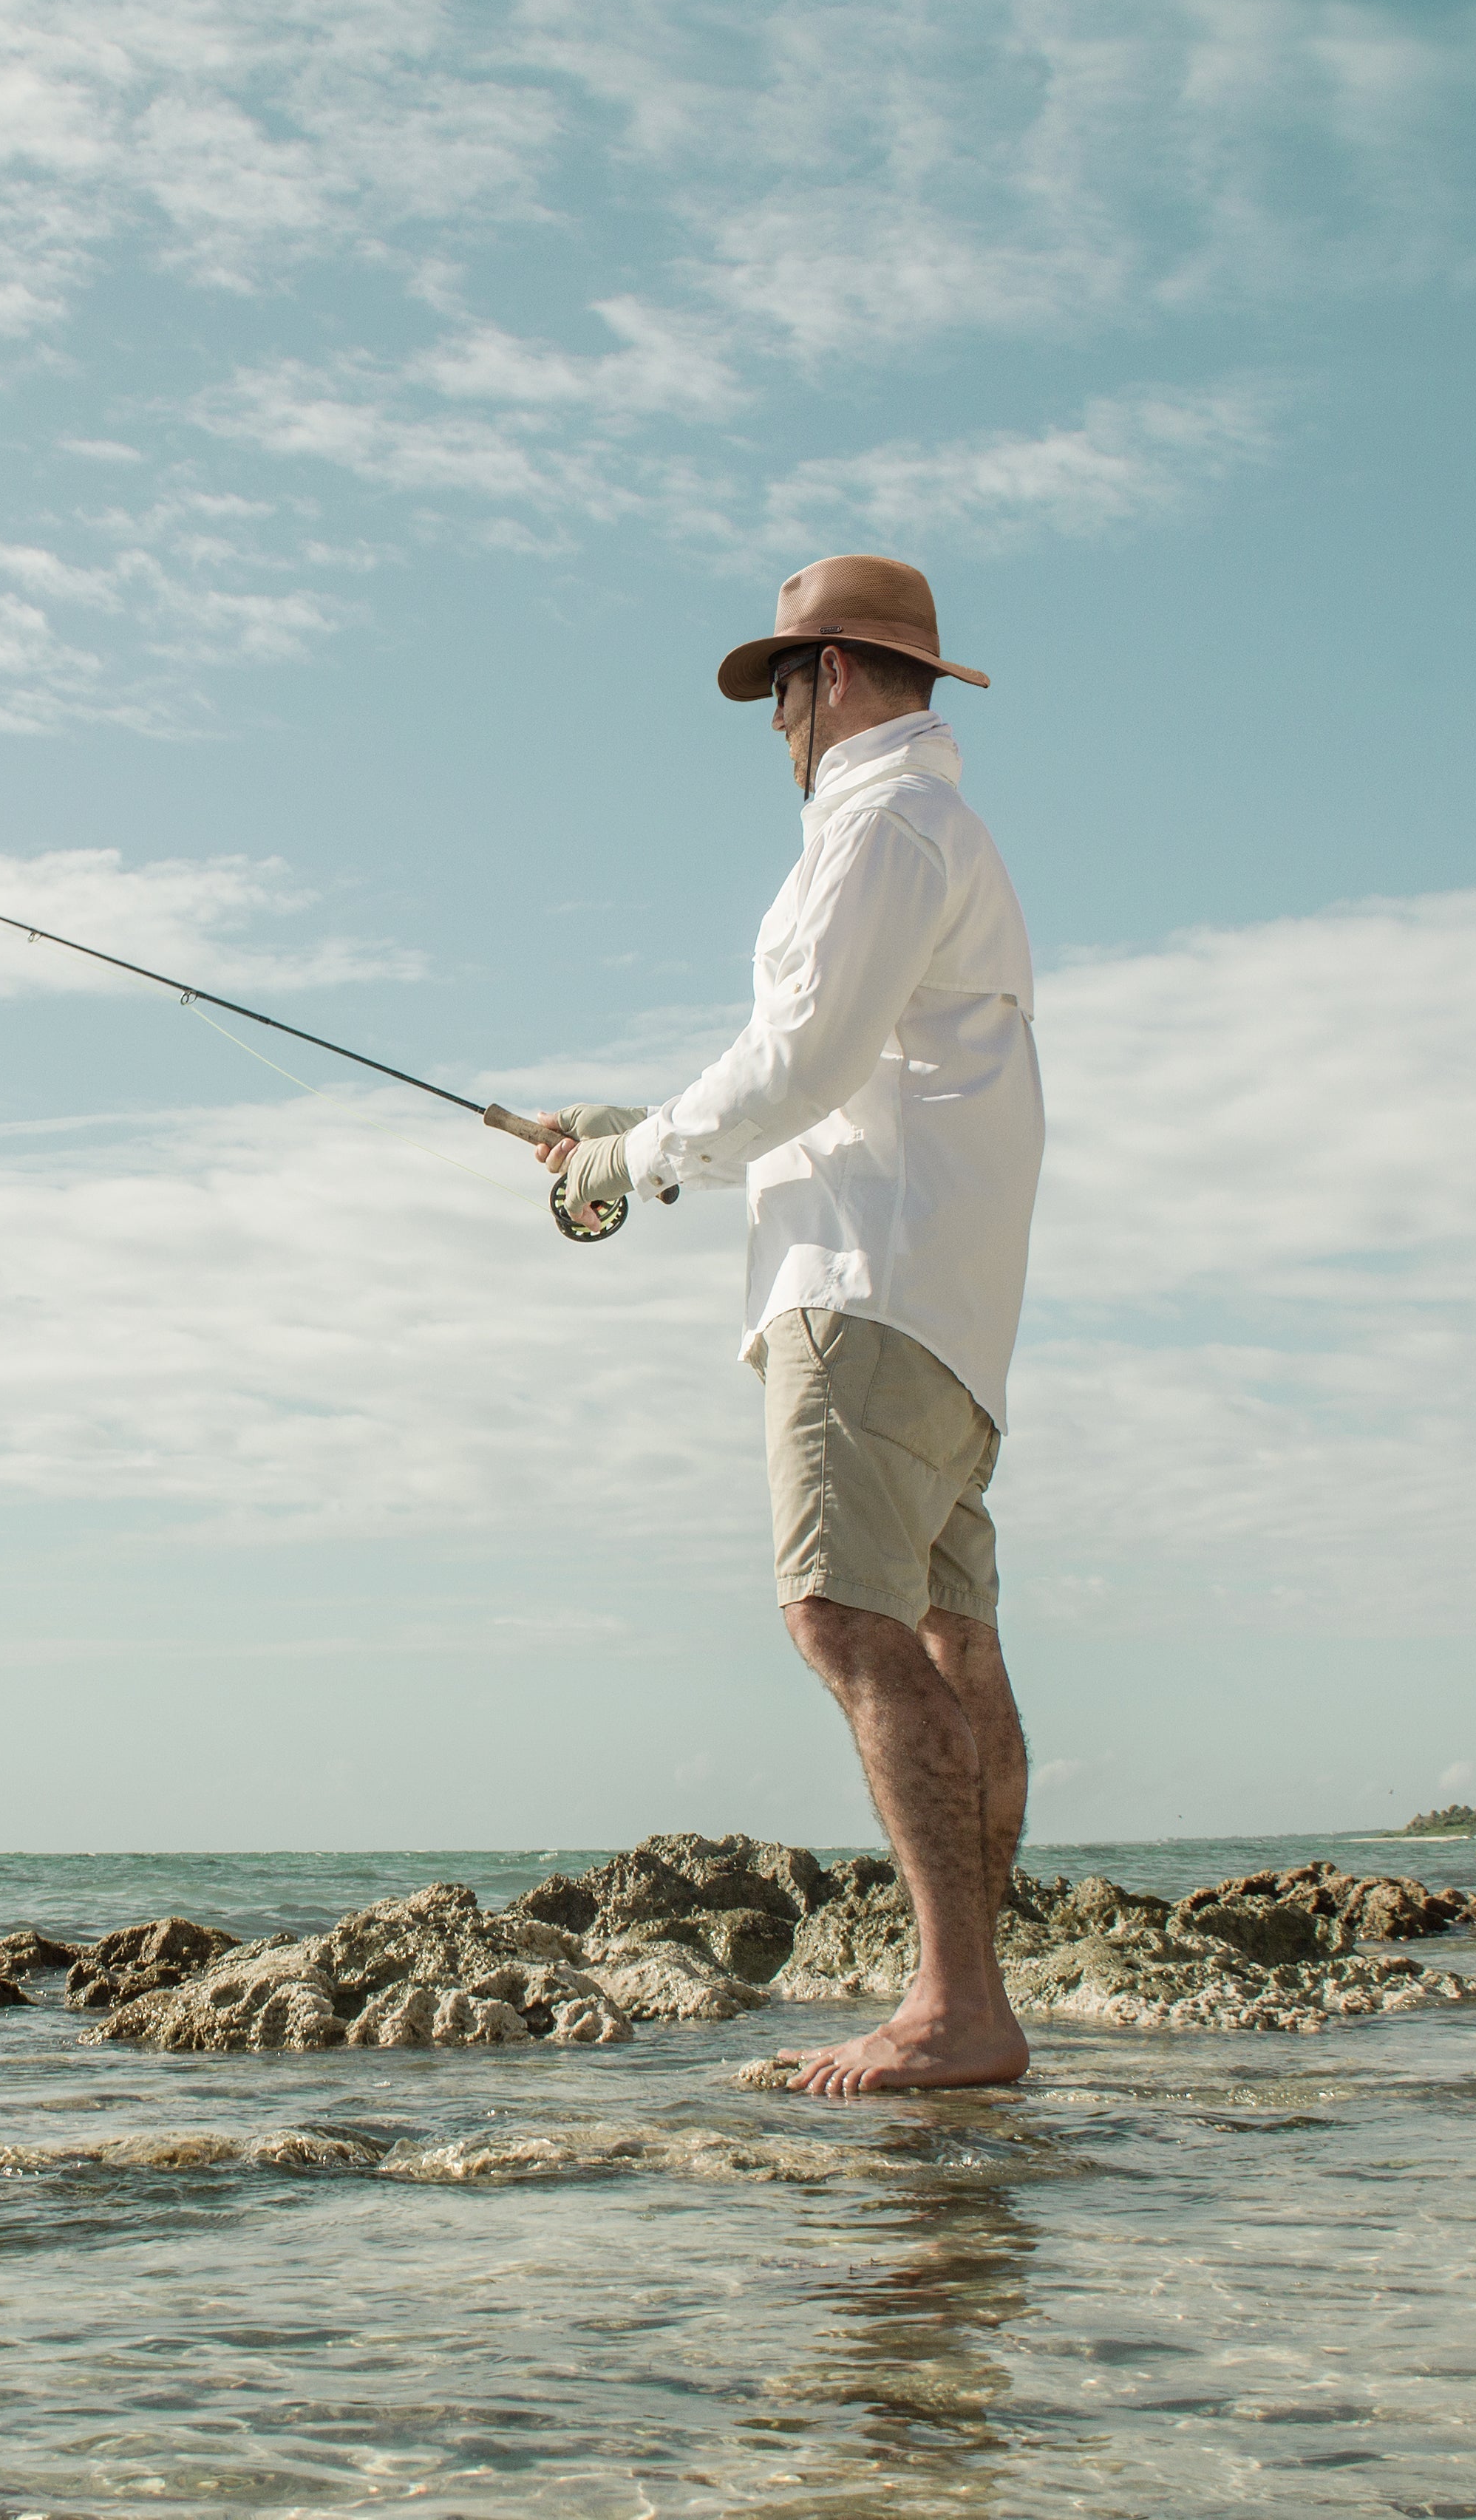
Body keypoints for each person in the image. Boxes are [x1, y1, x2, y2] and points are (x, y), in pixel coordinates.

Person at [526, 554, 1042, 2094]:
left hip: (859, 1284)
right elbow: (826, 1060)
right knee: (950, 1637)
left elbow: (806, 1062)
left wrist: (634, 1161)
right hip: (947, 1302)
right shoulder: (940, 829)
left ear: (827, 675)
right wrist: (642, 1128)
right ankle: (966, 1995)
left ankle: (958, 2005)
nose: (774, 731)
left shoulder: (876, 828)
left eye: (778, 694)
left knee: (839, 1617)